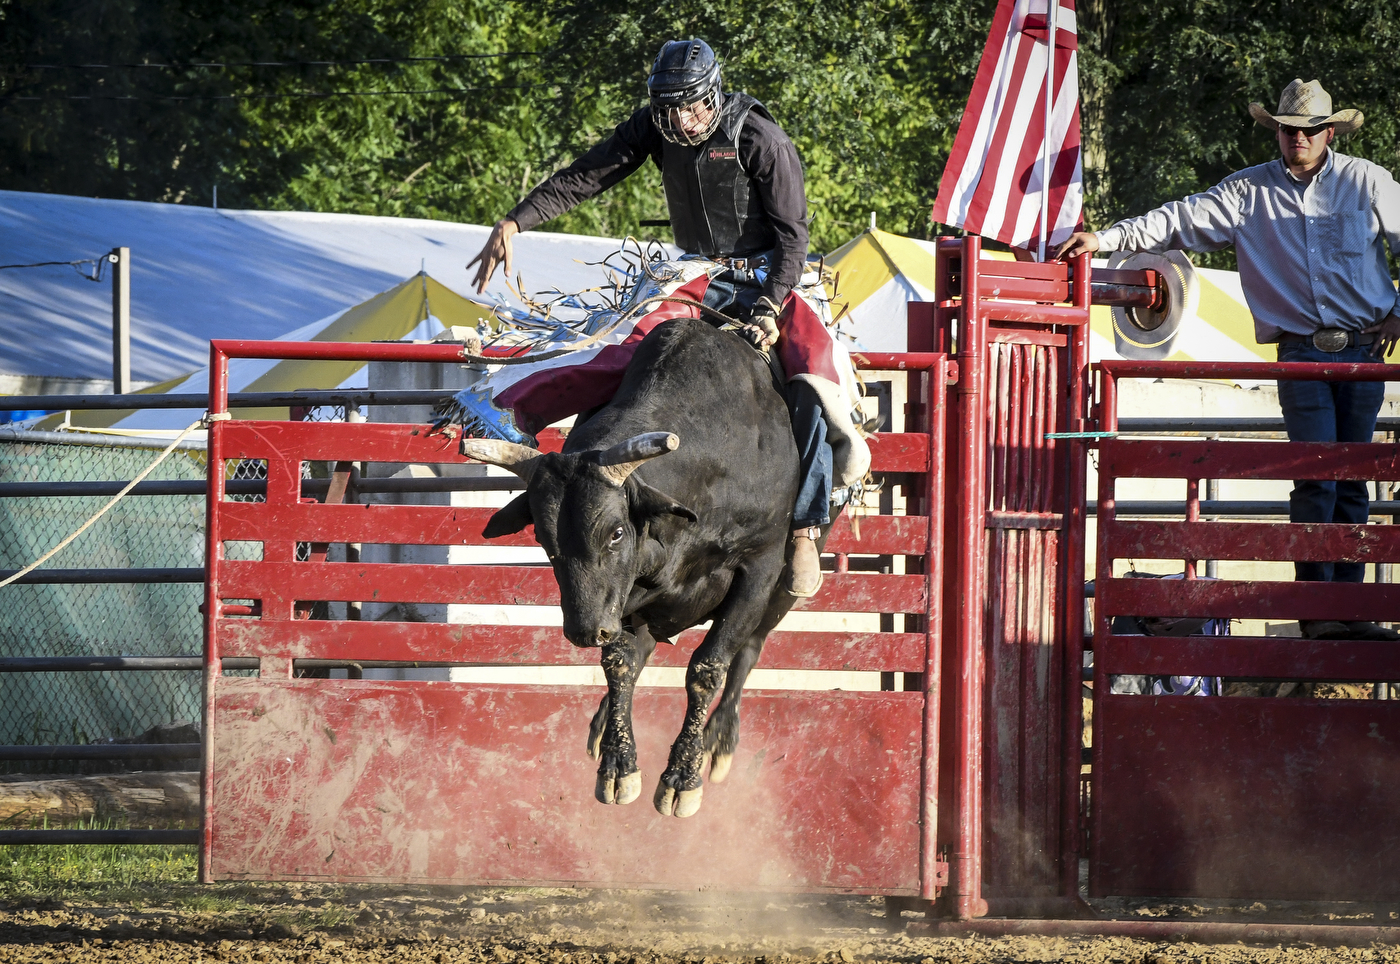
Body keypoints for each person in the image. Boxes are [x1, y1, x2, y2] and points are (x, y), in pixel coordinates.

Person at [464, 38, 832, 597]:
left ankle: (805, 528)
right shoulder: (653, 128)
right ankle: (516, 414)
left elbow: (793, 235)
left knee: (816, 378)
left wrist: (770, 304)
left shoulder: (760, 138)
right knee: (626, 346)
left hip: (772, 272)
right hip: (696, 272)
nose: (680, 120)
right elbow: (589, 173)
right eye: (668, 108)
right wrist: (516, 221)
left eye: (690, 106)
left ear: (712, 94)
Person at [1056, 78, 1400, 642]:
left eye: (1308, 130)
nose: (1298, 139)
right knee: (1320, 476)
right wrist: (1110, 238)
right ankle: (1321, 612)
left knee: (1353, 479)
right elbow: (1178, 218)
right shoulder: (1247, 192)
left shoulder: (1366, 182)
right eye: (1289, 131)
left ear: (1328, 132)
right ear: (1279, 133)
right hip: (1302, 352)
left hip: (1362, 348)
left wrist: (1399, 313)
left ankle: (1347, 609)